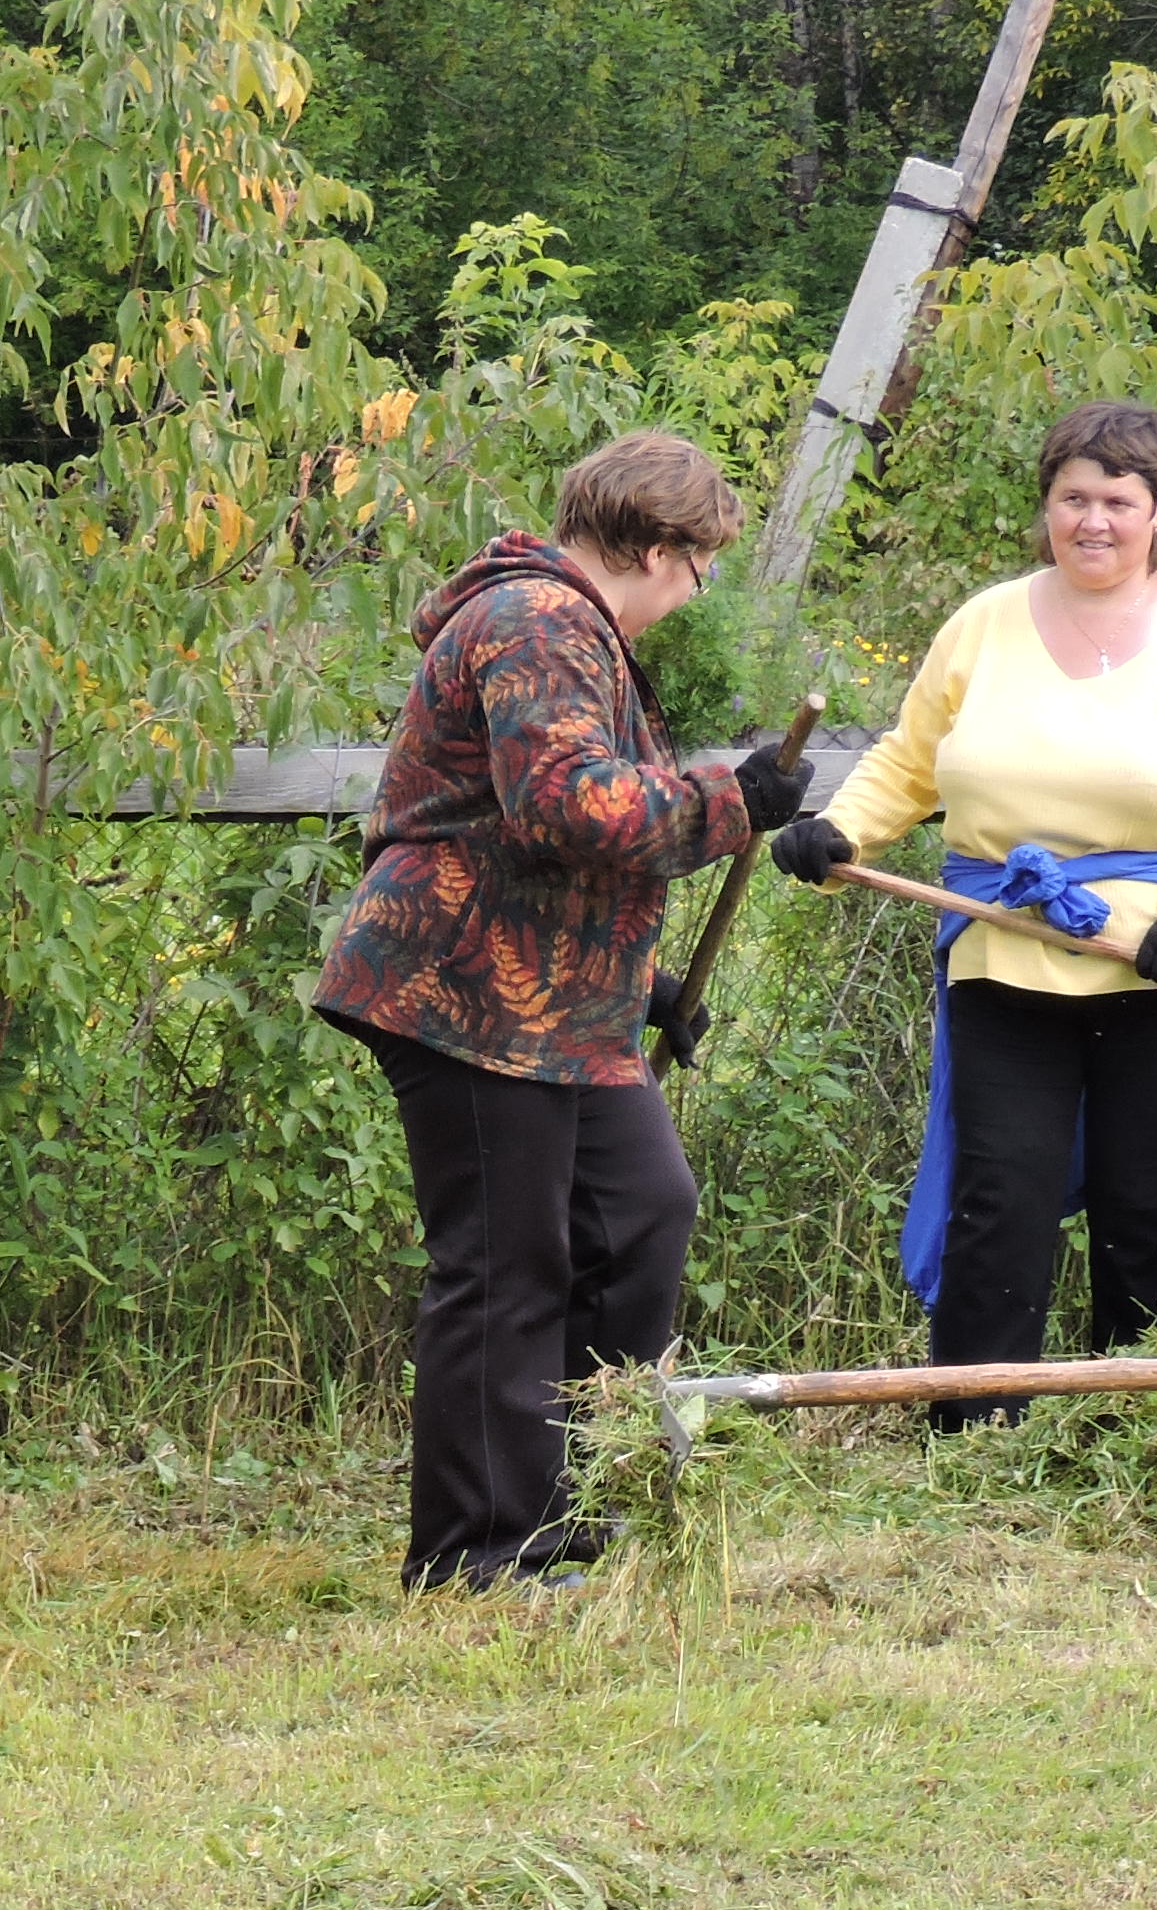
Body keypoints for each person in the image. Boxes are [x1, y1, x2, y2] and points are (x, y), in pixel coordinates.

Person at [315, 430, 811, 1589]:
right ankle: (478, 1553)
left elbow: (531, 840)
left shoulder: (566, 625)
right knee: (506, 1262)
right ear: (656, 546)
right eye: (700, 567)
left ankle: (580, 1503)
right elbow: (566, 805)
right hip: (462, 989)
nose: (694, 592)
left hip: (549, 1001)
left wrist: (643, 987)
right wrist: (730, 801)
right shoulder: (537, 619)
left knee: (640, 1216)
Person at [770, 399, 1157, 1412]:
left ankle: (1135, 1433)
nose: (1093, 521)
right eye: (1073, 498)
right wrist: (841, 831)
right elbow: (909, 761)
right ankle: (976, 1434)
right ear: (1046, 505)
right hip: (1003, 955)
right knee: (1000, 1199)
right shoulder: (984, 625)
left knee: (1143, 1206)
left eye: (1117, 501)